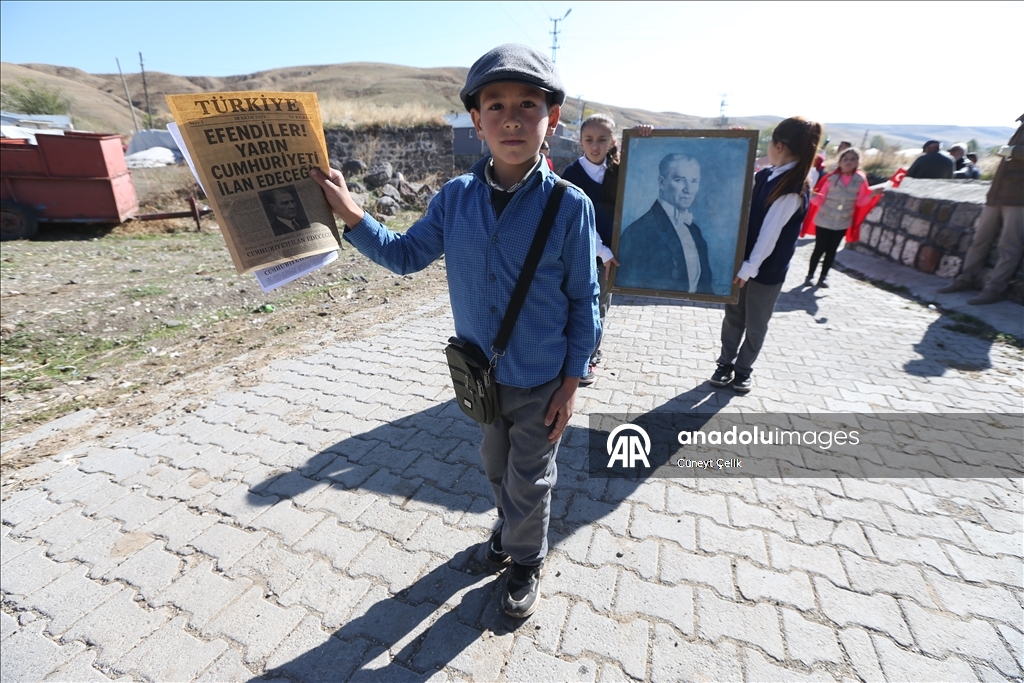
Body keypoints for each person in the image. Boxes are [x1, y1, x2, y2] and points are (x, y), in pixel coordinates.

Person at [311, 43, 599, 619]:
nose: (511, 117)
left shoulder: (570, 206)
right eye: (495, 105)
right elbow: (405, 254)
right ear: (476, 120)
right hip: (481, 375)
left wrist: (574, 381)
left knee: (531, 478)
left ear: (553, 119)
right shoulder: (455, 199)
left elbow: (585, 299)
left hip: (543, 378)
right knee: (496, 467)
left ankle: (525, 559)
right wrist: (351, 215)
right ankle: (508, 527)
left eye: (528, 104)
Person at [710, 116, 821, 394]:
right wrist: (738, 146)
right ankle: (725, 363)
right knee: (733, 316)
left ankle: (743, 370)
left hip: (764, 271)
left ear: (779, 146)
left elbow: (768, 237)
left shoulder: (793, 188)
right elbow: (739, 185)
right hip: (743, 265)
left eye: (769, 144)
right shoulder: (767, 175)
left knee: (756, 323)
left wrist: (748, 269)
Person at [560, 115, 651, 385]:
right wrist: (603, 251)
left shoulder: (619, 171)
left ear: (612, 141)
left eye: (602, 140)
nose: (595, 146)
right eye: (589, 140)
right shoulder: (571, 175)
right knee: (573, 304)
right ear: (580, 142)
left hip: (610, 257)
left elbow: (647, 179)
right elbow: (577, 221)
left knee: (599, 307)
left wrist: (646, 140)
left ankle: (589, 357)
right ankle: (568, 354)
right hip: (579, 252)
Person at [937, 115, 1024, 305]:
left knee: (1009, 246)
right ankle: (966, 279)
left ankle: (995, 289)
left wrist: (1013, 151)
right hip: (997, 194)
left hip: (1019, 198)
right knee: (980, 241)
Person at [616, 152, 713, 293]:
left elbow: (705, 287)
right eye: (680, 180)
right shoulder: (638, 232)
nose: (688, 189)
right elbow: (629, 288)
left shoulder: (695, 231)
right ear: (662, 182)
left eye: (694, 181)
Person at [801, 147, 885, 287]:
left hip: (843, 221)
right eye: (845, 159)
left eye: (853, 159)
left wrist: (871, 195)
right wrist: (811, 195)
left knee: (832, 250)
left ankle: (823, 277)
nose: (849, 162)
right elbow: (820, 199)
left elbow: (860, 202)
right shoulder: (831, 178)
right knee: (819, 248)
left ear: (858, 162)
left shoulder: (860, 179)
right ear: (839, 162)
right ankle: (810, 275)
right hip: (825, 219)